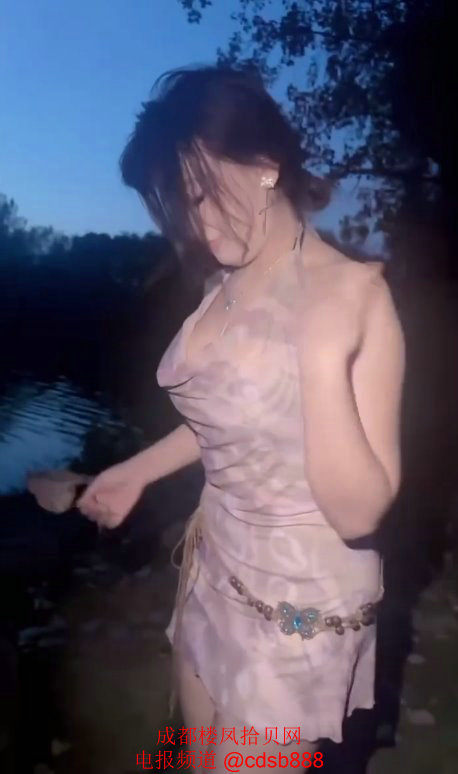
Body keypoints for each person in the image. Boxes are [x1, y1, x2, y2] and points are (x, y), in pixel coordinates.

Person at [76, 64, 406, 773]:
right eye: (180, 208)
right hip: (216, 567)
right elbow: (236, 418)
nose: (196, 225)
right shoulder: (224, 278)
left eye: (200, 196)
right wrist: (136, 471)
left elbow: (359, 513)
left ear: (264, 165)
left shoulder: (354, 296)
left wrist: (321, 357)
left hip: (297, 608)